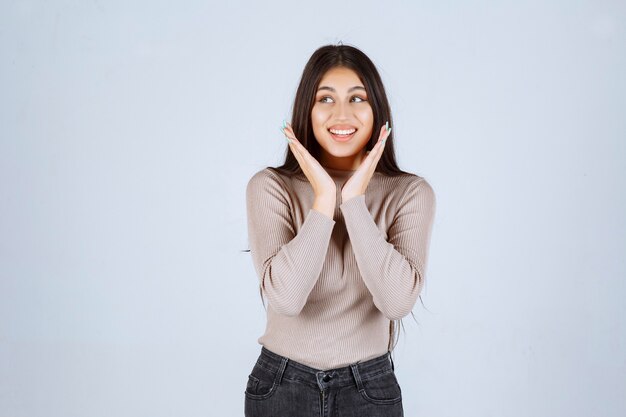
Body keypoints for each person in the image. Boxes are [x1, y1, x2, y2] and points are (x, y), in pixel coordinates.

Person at [244, 44, 436, 417]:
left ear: (377, 111)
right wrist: (323, 199)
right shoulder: (270, 187)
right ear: (307, 110)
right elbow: (286, 299)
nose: (341, 113)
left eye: (357, 98)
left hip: (369, 386)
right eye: (326, 98)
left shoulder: (410, 193)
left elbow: (396, 302)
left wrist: (353, 202)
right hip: (281, 385)